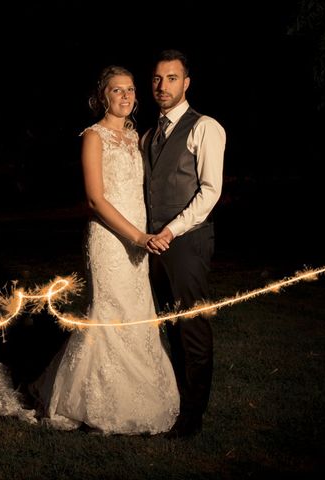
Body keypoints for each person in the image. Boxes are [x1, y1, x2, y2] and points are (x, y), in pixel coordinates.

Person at [0, 65, 179, 435]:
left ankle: (140, 398)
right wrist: (137, 236)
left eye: (131, 89)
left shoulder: (137, 138)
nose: (126, 96)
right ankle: (92, 400)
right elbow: (95, 200)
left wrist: (151, 235)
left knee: (137, 311)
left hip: (140, 242)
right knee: (108, 312)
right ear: (102, 96)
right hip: (110, 240)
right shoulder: (93, 137)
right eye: (117, 90)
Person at [140, 49, 226, 438]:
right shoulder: (148, 134)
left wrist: (171, 230)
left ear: (186, 83)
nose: (163, 86)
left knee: (192, 325)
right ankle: (175, 401)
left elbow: (209, 193)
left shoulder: (205, 127)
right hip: (154, 244)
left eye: (172, 78)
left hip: (187, 241)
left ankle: (193, 416)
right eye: (158, 79)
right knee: (169, 324)